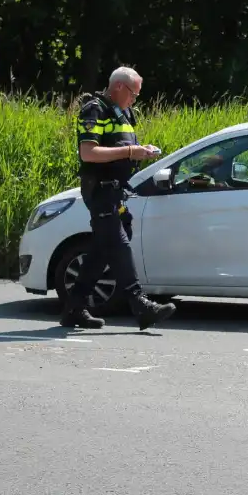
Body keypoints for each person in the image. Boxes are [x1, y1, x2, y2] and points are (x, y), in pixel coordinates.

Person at [60, 66, 177, 331]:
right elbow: (89, 153)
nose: (135, 99)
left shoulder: (124, 112)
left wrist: (139, 152)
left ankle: (74, 308)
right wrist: (130, 151)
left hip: (115, 190)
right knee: (119, 243)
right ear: (119, 88)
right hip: (99, 190)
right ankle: (139, 303)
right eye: (134, 93)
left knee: (103, 247)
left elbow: (121, 147)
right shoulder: (94, 110)